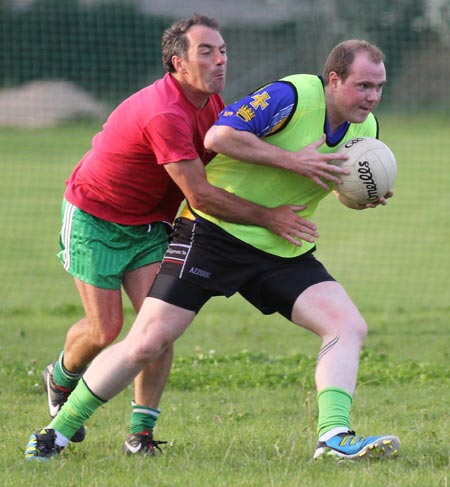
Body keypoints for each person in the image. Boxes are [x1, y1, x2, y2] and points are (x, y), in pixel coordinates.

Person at [25, 39, 400, 462]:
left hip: (280, 244)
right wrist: (292, 160)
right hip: (212, 234)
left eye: (379, 88)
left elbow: (333, 183)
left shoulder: (365, 132)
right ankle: (55, 433)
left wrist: (361, 196)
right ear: (334, 80)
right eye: (364, 86)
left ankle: (333, 436)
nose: (373, 98)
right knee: (148, 341)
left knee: (347, 324)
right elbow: (220, 135)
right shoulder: (291, 96)